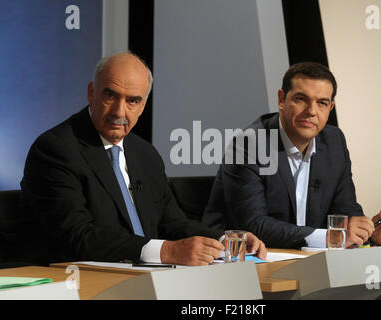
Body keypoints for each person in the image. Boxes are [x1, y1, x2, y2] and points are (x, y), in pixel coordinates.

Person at [20, 52, 266, 265]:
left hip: (146, 277)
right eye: (110, 96)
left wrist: (225, 240)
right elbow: (76, 237)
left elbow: (174, 222)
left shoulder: (144, 153)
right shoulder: (55, 149)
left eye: (132, 101)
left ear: (143, 105)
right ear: (91, 93)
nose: (119, 111)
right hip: (80, 281)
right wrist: (167, 251)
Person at [202, 62, 381, 249]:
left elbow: (346, 210)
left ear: (330, 108)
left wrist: (367, 231)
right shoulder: (249, 144)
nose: (311, 111)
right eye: (301, 99)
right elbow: (254, 225)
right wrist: (332, 237)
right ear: (281, 99)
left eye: (322, 103)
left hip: (307, 260)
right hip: (242, 262)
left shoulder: (334, 141)